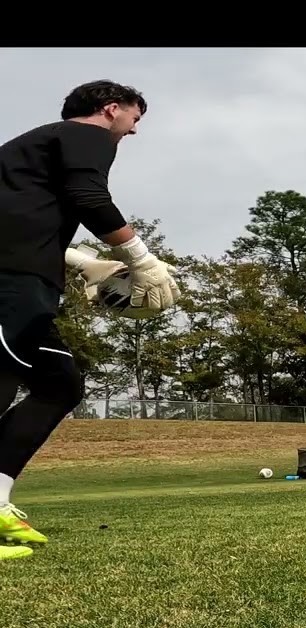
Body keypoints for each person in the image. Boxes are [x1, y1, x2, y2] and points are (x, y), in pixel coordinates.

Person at [0, 80, 179, 560]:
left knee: (59, 384)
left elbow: (20, 219)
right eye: (135, 119)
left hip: (25, 277)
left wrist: (82, 261)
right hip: (11, 282)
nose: (133, 131)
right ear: (111, 108)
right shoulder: (86, 136)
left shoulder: (32, 151)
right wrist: (142, 259)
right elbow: (90, 198)